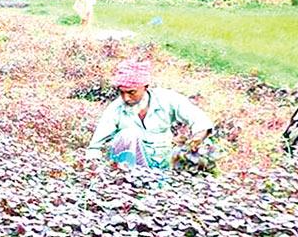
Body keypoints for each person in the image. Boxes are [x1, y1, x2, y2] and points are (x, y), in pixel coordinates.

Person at [86, 59, 214, 169]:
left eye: (131, 92)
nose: (126, 98)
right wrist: (94, 168)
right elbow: (95, 147)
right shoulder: (116, 109)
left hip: (162, 161)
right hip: (127, 164)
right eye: (122, 92)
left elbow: (199, 119)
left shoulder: (166, 99)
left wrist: (196, 139)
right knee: (128, 135)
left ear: (145, 87)